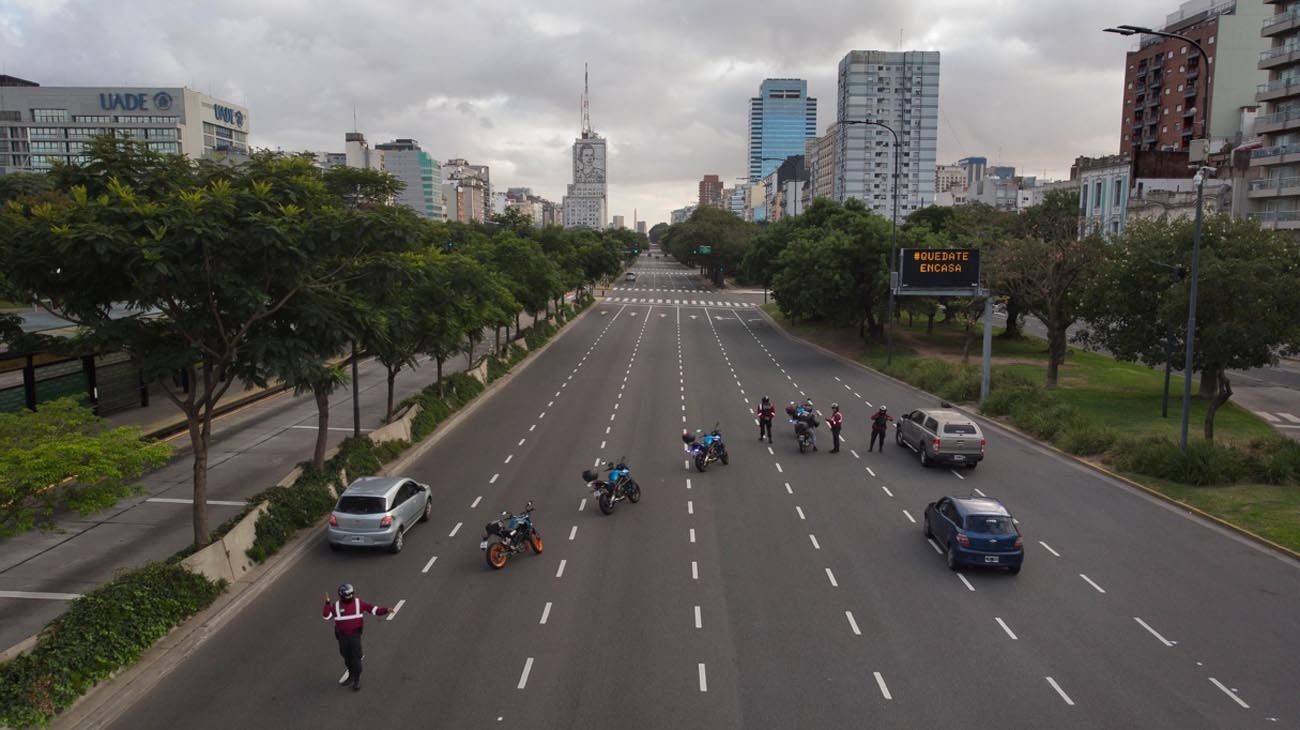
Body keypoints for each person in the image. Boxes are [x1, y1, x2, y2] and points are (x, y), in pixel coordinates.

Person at [323, 583, 391, 691]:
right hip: (342, 636)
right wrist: (327, 603)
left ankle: (357, 680)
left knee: (356, 658)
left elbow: (373, 610)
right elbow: (326, 617)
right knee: (346, 656)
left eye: (351, 594)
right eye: (347, 595)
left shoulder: (359, 603)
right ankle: (351, 674)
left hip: (354, 636)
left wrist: (385, 610)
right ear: (341, 596)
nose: (350, 597)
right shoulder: (336, 606)